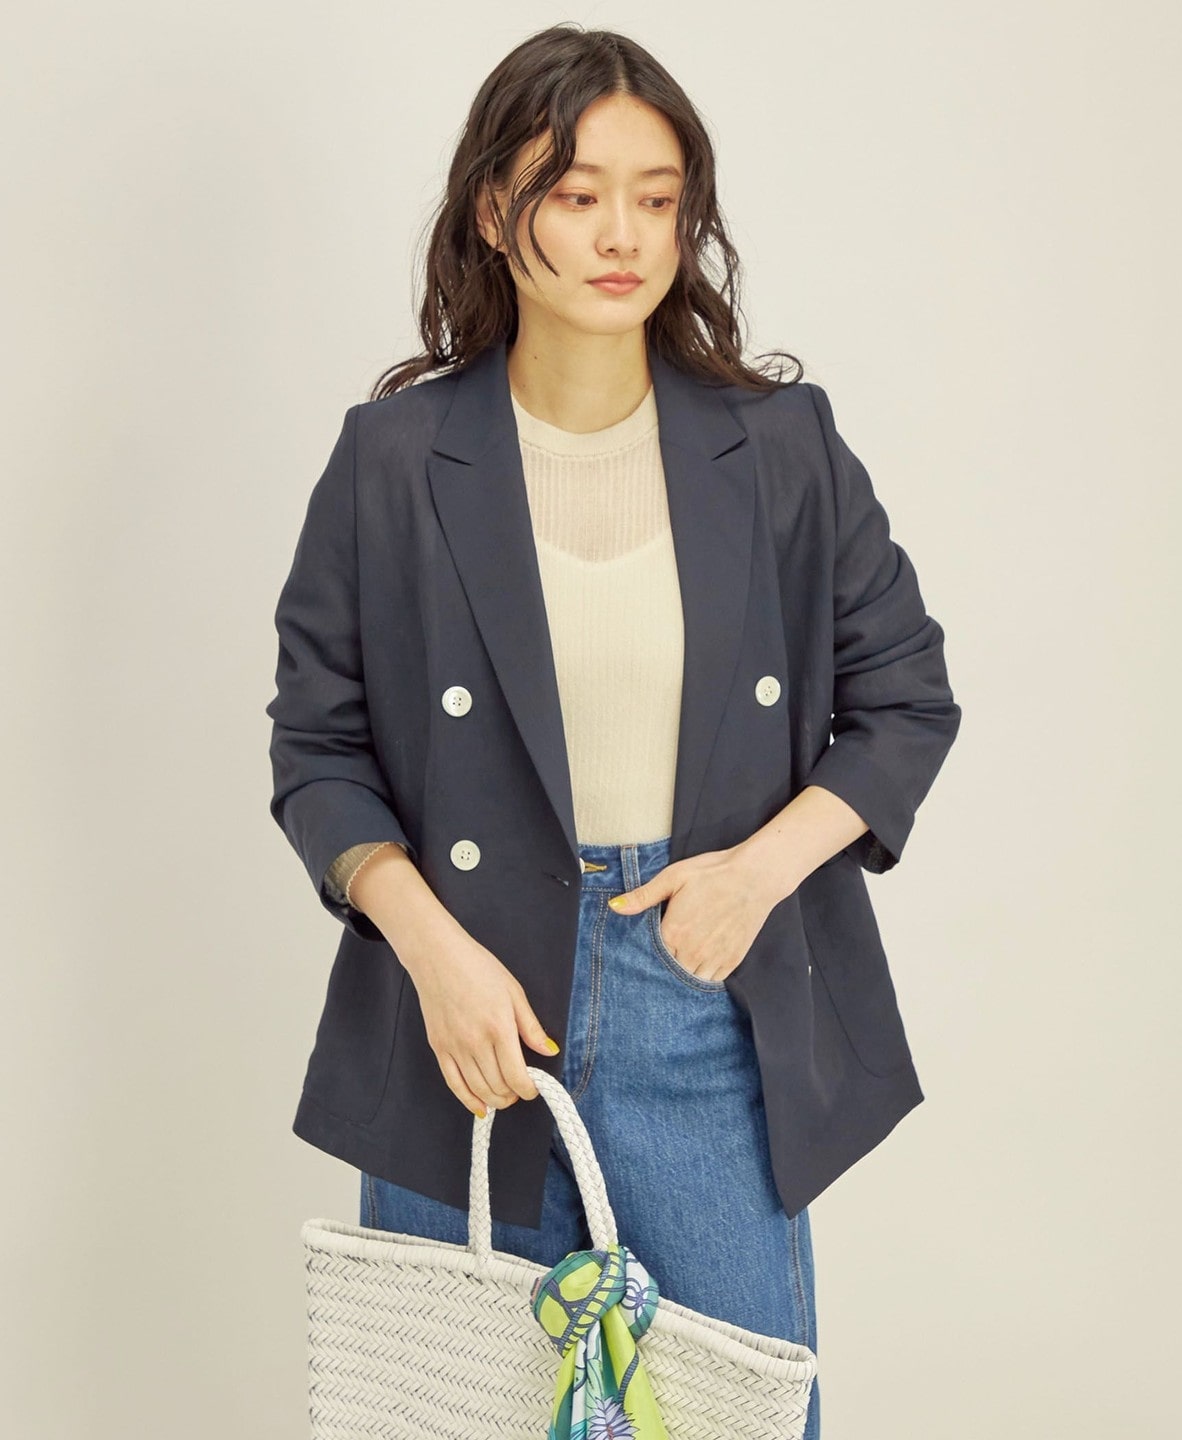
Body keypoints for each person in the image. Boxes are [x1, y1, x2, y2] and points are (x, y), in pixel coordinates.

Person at [266, 25, 961, 1439]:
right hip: (470, 1019)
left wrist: (756, 876)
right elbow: (318, 752)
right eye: (576, 194)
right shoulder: (392, 462)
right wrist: (436, 956)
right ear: (494, 211)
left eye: (656, 196)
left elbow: (904, 697)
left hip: (705, 996)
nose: (622, 235)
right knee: (462, 1416)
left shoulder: (780, 449)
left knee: (729, 1414)